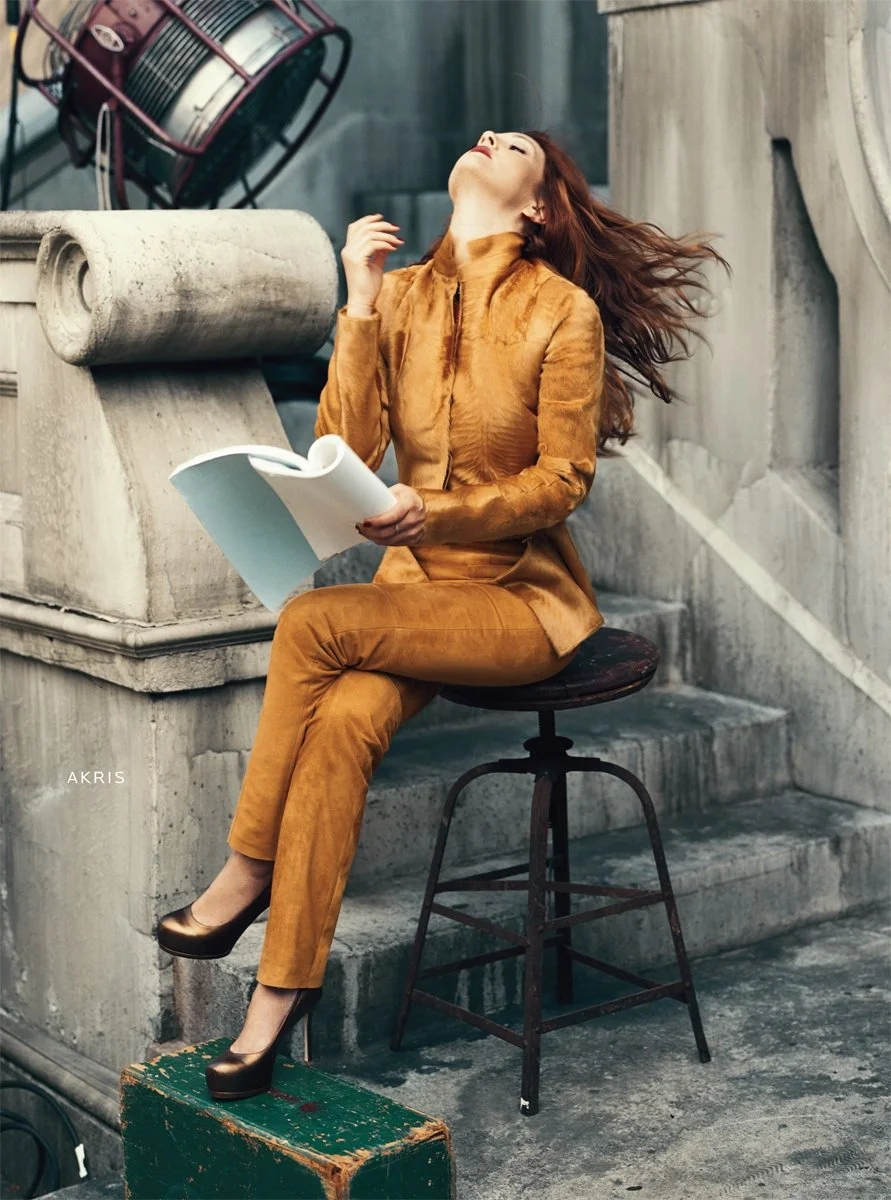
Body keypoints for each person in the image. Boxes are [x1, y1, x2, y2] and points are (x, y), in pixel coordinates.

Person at [156, 128, 731, 1100]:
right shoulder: (408, 298)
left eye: (512, 144)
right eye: (485, 133)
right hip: (413, 596)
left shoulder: (564, 312)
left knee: (308, 624)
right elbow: (344, 441)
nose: (488, 137)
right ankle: (274, 1001)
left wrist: (442, 510)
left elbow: (563, 482)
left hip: (519, 606)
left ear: (538, 205)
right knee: (337, 726)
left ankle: (245, 870)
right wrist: (360, 300)